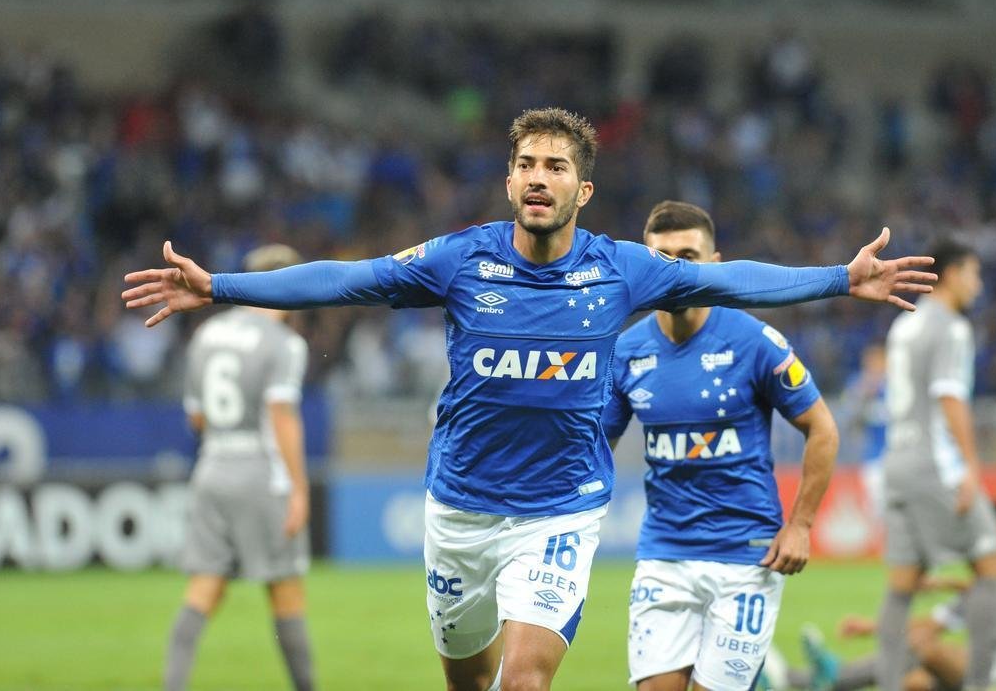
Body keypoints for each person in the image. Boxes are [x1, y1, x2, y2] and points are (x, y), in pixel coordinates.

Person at [125, 108, 935, 691]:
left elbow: (732, 278)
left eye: (556, 166)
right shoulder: (459, 260)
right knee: (468, 675)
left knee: (522, 682)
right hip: (460, 511)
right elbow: (347, 278)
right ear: (510, 177)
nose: (539, 178)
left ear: (584, 188)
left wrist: (840, 277)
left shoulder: (623, 269)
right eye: (527, 164)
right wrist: (222, 285)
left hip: (559, 514)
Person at [599, 201, 840, 691]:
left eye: (688, 255)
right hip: (663, 553)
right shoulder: (625, 351)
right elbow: (594, 445)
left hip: (745, 557)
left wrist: (801, 525)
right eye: (662, 257)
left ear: (714, 265)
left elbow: (823, 429)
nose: (675, 269)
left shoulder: (755, 342)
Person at [163, 244, 316, 691]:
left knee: (202, 591)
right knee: (286, 593)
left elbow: (196, 417)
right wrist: (299, 490)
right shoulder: (285, 343)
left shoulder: (206, 335)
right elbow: (282, 416)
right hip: (261, 474)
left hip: (211, 466)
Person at [876, 238, 996, 691]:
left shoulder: (903, 323)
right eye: (973, 273)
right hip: (934, 463)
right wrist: (971, 464)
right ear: (951, 274)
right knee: (993, 563)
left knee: (901, 587)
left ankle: (890, 684)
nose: (978, 284)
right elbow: (949, 396)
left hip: (895, 462)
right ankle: (981, 684)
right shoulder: (952, 327)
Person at [792, 503, 996, 691]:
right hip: (979, 671)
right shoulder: (979, 586)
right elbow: (931, 624)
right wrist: (869, 627)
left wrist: (944, 582)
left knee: (924, 648)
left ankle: (829, 677)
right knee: (912, 683)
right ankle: (806, 678)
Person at [838, 341, 888, 517]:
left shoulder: (896, 385)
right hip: (873, 458)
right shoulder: (858, 384)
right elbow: (848, 419)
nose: (874, 364)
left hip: (897, 457)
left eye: (878, 360)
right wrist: (863, 394)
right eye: (870, 360)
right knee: (876, 512)